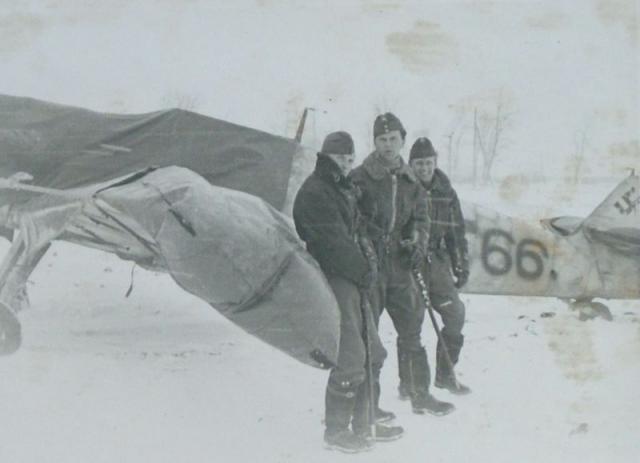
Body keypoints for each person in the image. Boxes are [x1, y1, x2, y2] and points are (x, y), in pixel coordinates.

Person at [293, 131, 404, 453]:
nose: (345, 163)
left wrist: (370, 261)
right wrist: (364, 270)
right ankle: (337, 431)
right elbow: (332, 244)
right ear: (326, 157)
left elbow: (359, 231)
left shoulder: (343, 189)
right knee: (352, 357)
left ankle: (364, 423)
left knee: (374, 353)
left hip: (354, 278)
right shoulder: (316, 192)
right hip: (334, 278)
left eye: (349, 158)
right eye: (340, 157)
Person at [350, 114, 454, 416]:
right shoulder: (359, 178)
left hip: (400, 264)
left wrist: (417, 245)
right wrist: (364, 249)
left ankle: (419, 393)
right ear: (375, 142)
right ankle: (368, 404)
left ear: (402, 140)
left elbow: (422, 219)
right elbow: (352, 220)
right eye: (382, 140)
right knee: (368, 336)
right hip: (370, 266)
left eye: (393, 139)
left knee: (412, 329)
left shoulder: (411, 181)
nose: (387, 145)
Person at [408, 137, 471, 395]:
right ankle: (409, 384)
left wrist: (460, 263)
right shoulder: (403, 187)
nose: (424, 168)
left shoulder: (446, 191)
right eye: (419, 163)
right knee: (411, 321)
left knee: (455, 313)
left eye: (428, 163)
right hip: (408, 260)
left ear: (435, 162)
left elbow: (456, 232)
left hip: (435, 260)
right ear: (411, 164)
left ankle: (445, 375)